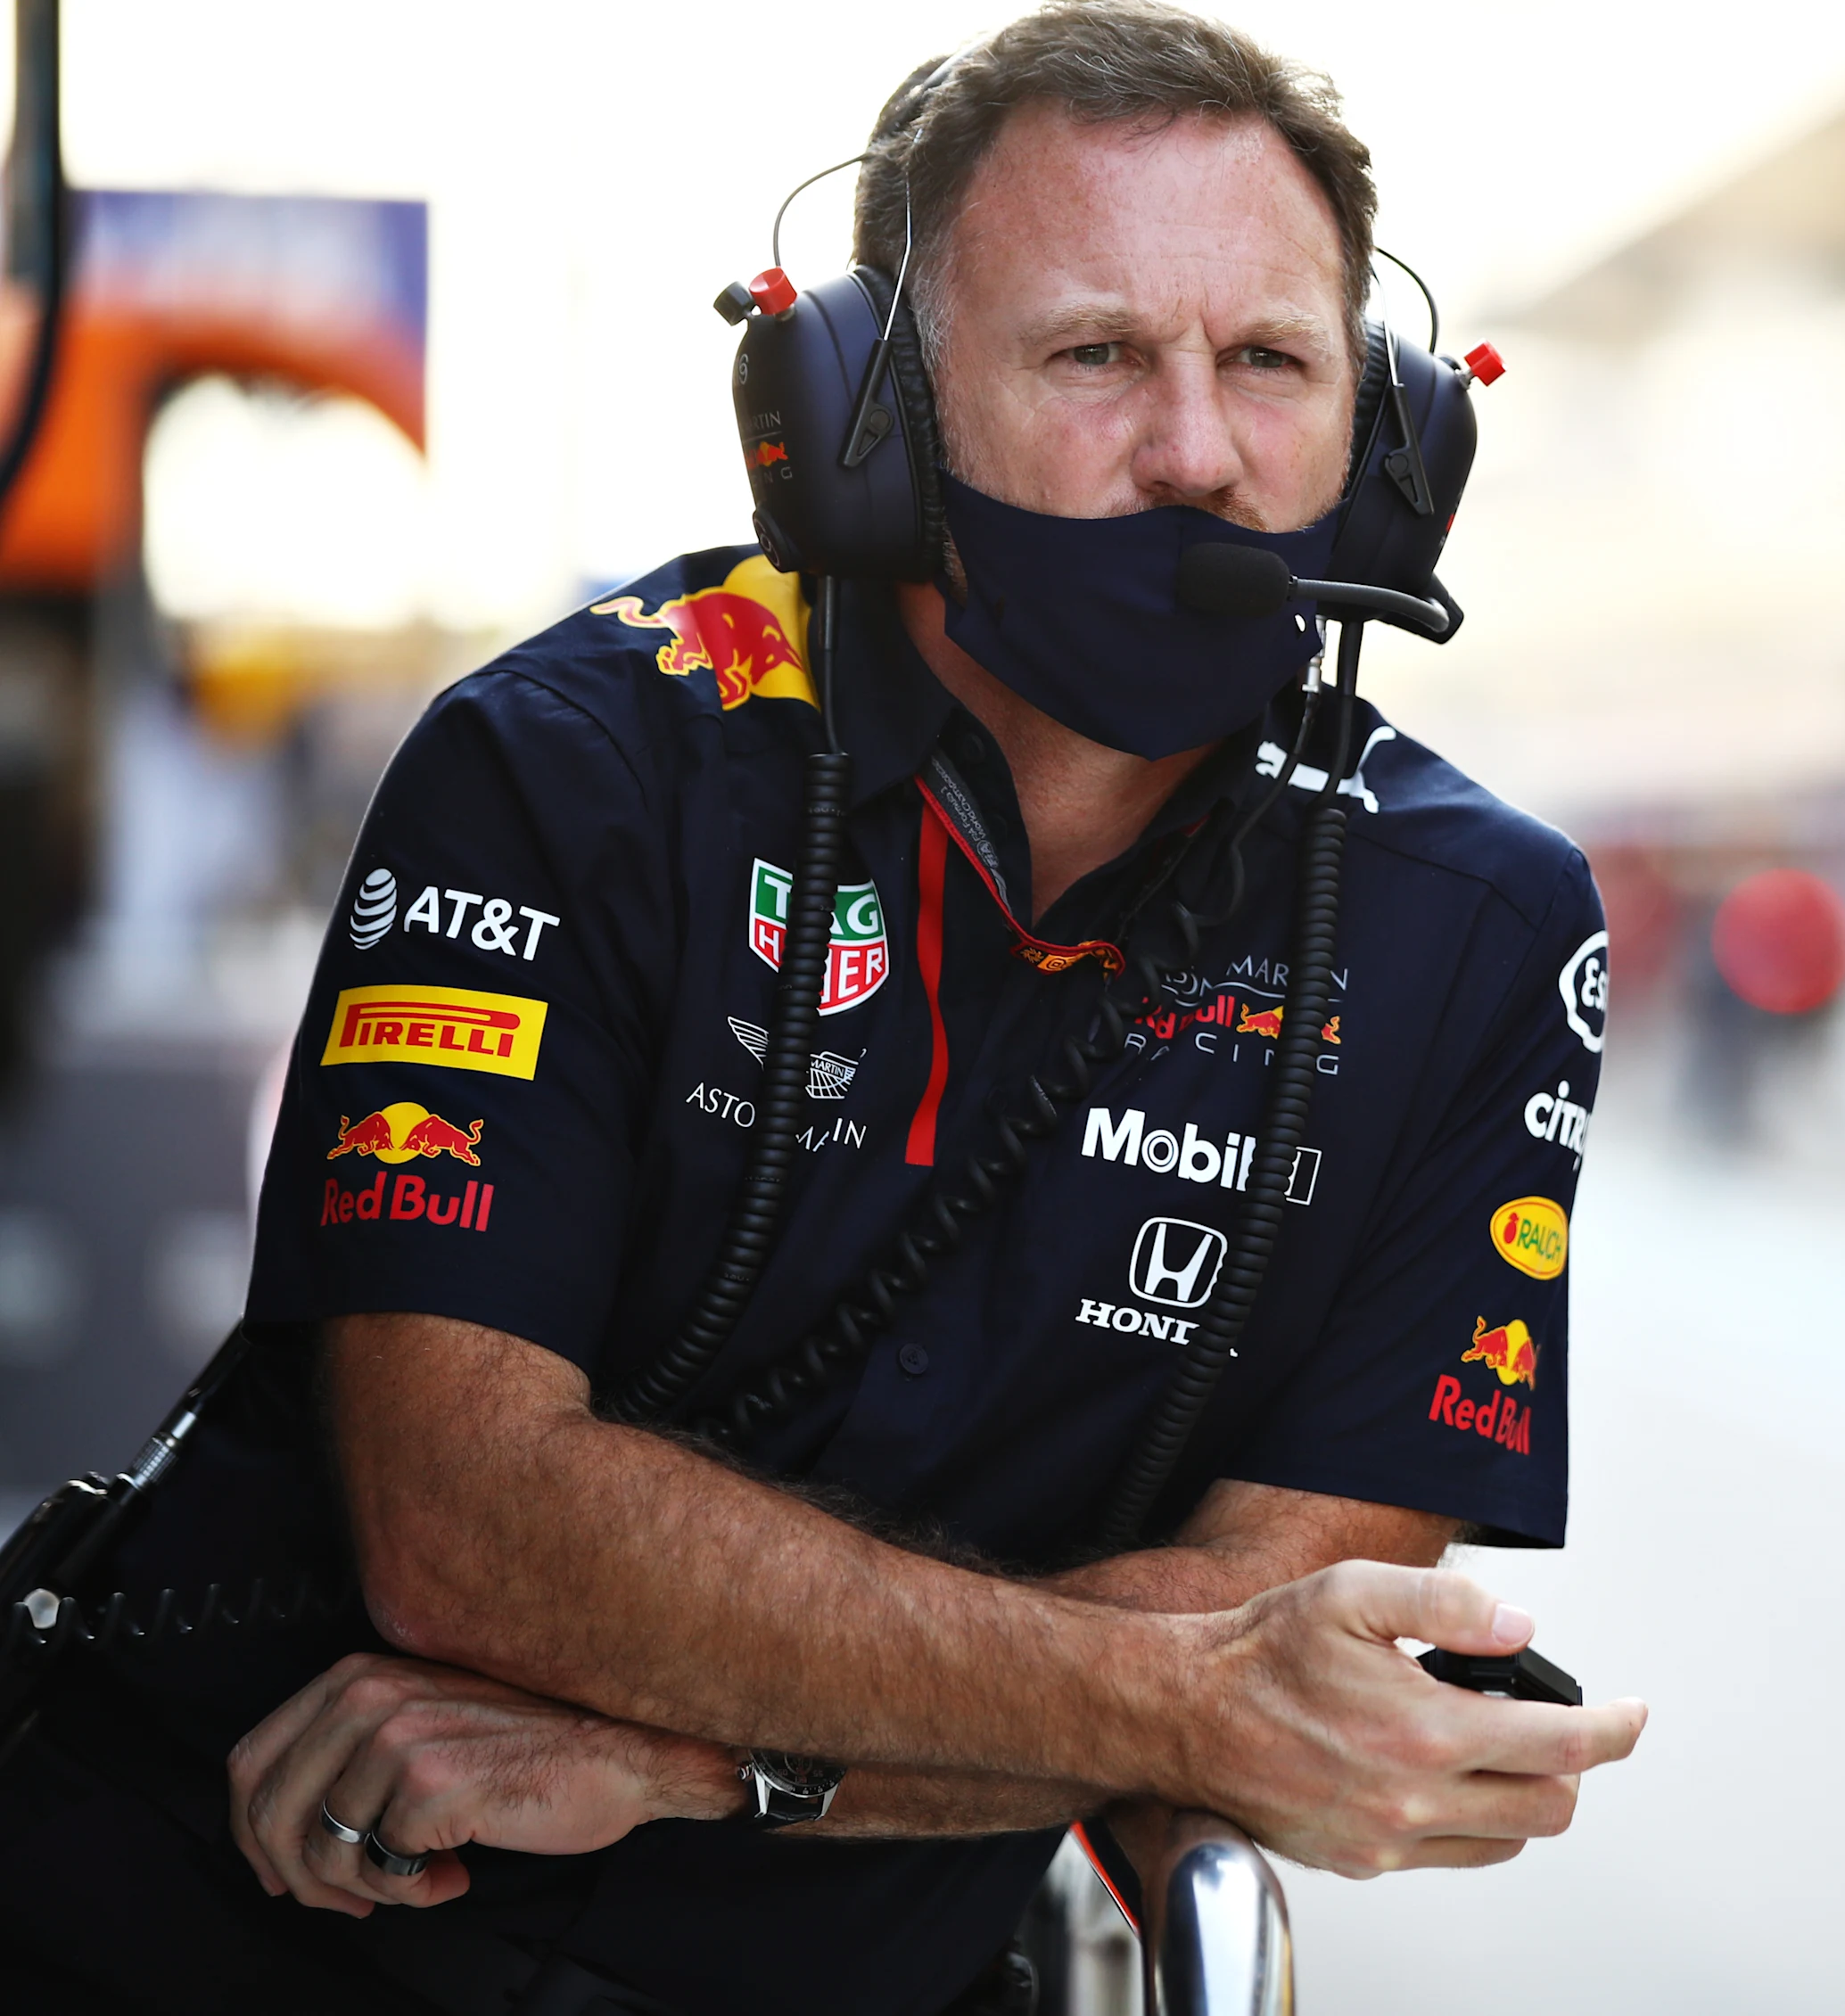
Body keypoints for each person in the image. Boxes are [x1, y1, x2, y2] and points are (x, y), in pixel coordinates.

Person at [0, 7, 1642, 2010]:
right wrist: (1165, 1695)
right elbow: (475, 1519)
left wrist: (703, 1754)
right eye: (1098, 353)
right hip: (231, 1912)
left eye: (1272, 363)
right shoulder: (564, 764)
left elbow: (1277, 1629)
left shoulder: (1478, 921)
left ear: (1391, 447)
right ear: (867, 411)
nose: (1200, 451)